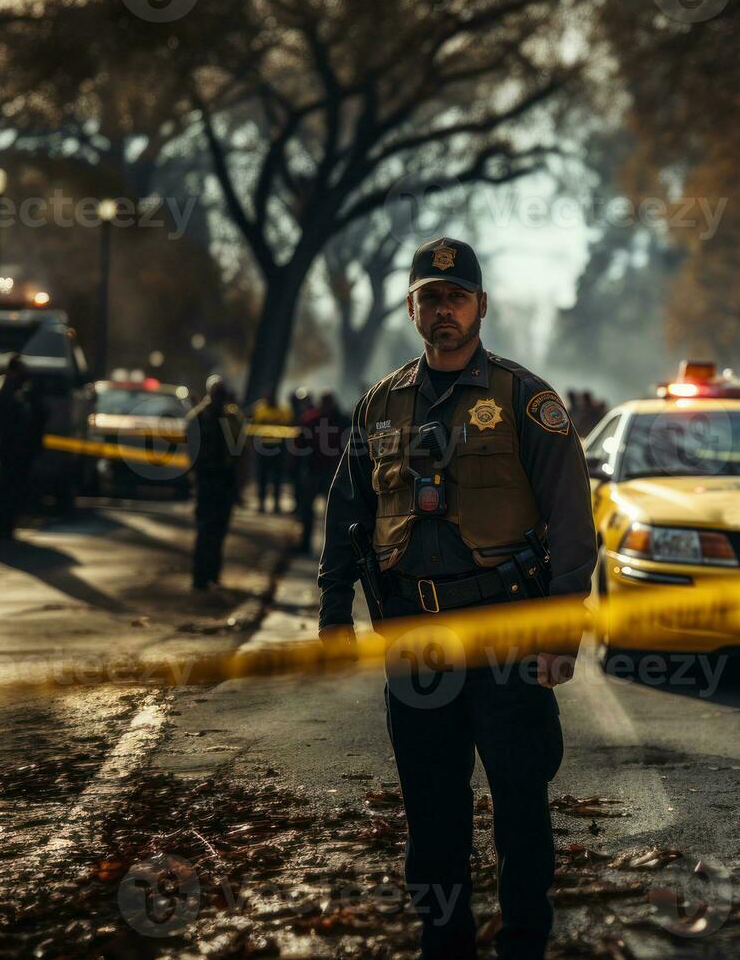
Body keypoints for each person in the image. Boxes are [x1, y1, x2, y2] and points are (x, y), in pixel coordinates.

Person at [317, 236, 594, 960]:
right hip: (416, 644)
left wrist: (560, 636)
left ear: (480, 307)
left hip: (505, 635)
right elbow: (346, 512)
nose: (443, 311)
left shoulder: (524, 400)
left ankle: (524, 942)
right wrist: (330, 612)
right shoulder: (380, 403)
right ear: (412, 308)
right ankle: (444, 943)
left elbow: (571, 524)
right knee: (431, 814)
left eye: (455, 297)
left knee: (519, 806)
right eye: (429, 298)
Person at [0, 354, 46, 541]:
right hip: (9, 452)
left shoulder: (8, 390)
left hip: (12, 452)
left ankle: (0, 529)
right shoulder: (7, 393)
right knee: (4, 491)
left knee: (8, 491)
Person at [189, 375, 244, 590]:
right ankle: (201, 575)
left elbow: (240, 451)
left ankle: (211, 573)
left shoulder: (232, 418)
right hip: (207, 480)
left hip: (224, 480)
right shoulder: (199, 417)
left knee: (219, 529)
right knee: (205, 529)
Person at [295, 390, 348, 555]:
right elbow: (298, 446)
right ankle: (305, 544)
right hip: (313, 471)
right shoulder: (310, 420)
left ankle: (334, 547)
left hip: (335, 473)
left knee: (335, 512)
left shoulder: (342, 422)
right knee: (306, 511)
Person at [250, 393, 294, 514]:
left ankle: (276, 505)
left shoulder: (283, 411)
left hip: (278, 449)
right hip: (263, 448)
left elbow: (289, 428)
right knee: (262, 478)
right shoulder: (259, 409)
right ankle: (261, 504)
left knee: (277, 479)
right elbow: (251, 427)